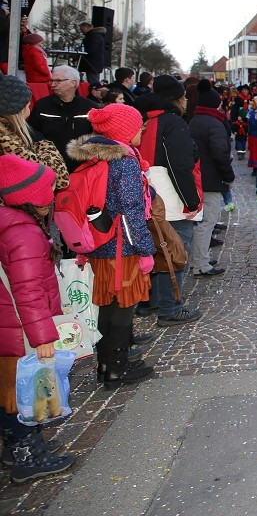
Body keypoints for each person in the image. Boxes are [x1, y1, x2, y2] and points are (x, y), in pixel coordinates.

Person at [69, 104, 156, 388]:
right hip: (122, 248)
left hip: (98, 244)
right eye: (138, 124)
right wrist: (145, 250)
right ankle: (118, 369)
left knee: (107, 305)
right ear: (123, 130)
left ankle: (105, 363)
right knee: (124, 306)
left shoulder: (93, 157)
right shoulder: (124, 161)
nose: (142, 128)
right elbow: (131, 210)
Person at [0, 155, 75, 482]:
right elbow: (27, 291)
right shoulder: (23, 232)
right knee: (24, 393)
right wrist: (43, 337)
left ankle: (13, 447)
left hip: (10, 325)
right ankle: (27, 455)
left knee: (9, 390)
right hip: (20, 330)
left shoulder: (8, 221)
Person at [134, 75, 203, 326]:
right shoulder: (173, 122)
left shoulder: (141, 117)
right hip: (169, 197)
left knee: (153, 248)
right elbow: (180, 166)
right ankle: (170, 306)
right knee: (174, 251)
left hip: (145, 193)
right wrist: (191, 201)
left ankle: (150, 301)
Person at [188, 81, 234, 277]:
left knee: (201, 222)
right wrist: (228, 176)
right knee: (207, 222)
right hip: (210, 180)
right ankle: (200, 264)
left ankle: (199, 259)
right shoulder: (214, 124)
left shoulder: (194, 120)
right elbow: (220, 153)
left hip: (198, 178)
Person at [0, 74, 69, 192]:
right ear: (17, 111)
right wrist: (45, 144)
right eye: (27, 105)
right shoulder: (6, 141)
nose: (29, 108)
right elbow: (60, 179)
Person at [28, 66, 98, 174]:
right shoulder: (42, 106)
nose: (53, 84)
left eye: (58, 81)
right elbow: (32, 133)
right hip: (50, 167)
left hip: (82, 168)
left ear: (73, 83)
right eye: (52, 81)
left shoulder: (91, 108)